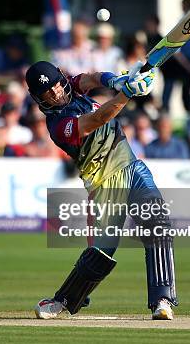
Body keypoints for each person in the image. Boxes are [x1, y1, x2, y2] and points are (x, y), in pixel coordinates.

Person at [24, 60, 176, 320]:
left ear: (61, 77)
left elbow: (92, 79)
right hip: (103, 185)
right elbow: (98, 118)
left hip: (132, 169)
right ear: (38, 98)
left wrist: (116, 80)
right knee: (101, 255)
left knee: (158, 224)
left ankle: (162, 300)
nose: (56, 93)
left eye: (56, 85)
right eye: (47, 92)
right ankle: (63, 300)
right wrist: (127, 92)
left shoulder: (70, 85)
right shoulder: (58, 126)